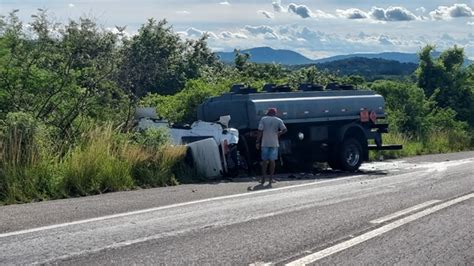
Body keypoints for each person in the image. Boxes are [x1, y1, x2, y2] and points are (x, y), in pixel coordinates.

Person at [255, 107, 287, 185]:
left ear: (268, 113)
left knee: (264, 161)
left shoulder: (263, 119)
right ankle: (271, 179)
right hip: (274, 143)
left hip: (265, 143)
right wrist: (279, 133)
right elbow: (285, 129)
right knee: (272, 161)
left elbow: (260, 130)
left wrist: (257, 141)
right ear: (275, 113)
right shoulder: (278, 120)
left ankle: (263, 179)